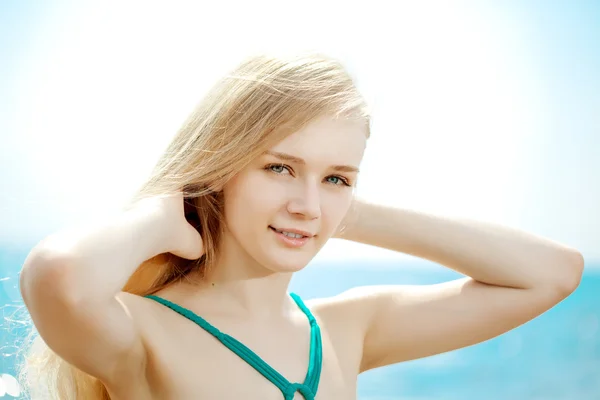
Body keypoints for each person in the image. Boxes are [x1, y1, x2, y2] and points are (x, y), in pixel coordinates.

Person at [19, 51, 584, 400]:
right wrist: (167, 210)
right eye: (279, 168)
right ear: (221, 167)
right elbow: (58, 273)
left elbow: (553, 273)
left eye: (338, 177)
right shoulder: (141, 332)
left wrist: (345, 211)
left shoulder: (347, 330)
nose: (307, 205)